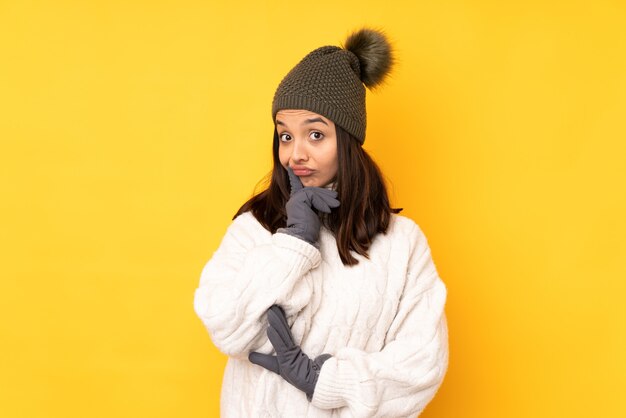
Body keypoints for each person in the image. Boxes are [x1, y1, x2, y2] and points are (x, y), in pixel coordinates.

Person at [193, 26, 449, 417]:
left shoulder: (402, 244)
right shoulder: (256, 229)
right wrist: (294, 243)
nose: (296, 154)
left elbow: (422, 363)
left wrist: (322, 380)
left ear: (347, 141)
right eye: (285, 136)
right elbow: (227, 327)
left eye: (315, 134)